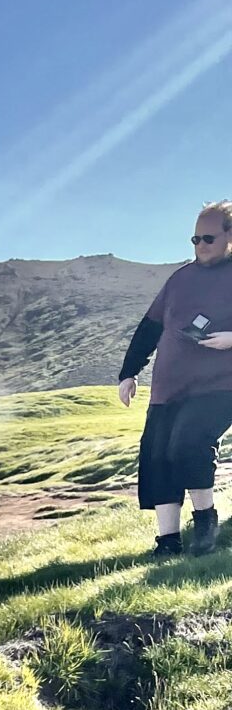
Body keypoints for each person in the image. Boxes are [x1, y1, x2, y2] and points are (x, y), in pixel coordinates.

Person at [119, 202, 232, 556]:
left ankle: (205, 523)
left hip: (219, 385)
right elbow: (150, 327)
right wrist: (129, 373)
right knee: (157, 457)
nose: (200, 245)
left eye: (209, 238)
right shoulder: (180, 277)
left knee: (187, 443)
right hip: (168, 388)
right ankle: (167, 542)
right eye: (195, 238)